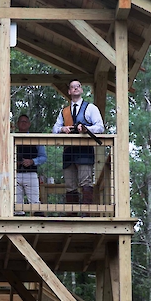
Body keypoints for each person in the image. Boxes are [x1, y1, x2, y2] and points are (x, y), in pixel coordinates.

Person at [52, 80, 104, 212]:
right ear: (69, 92)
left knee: (85, 182)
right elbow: (55, 129)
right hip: (69, 152)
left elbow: (100, 127)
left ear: (81, 90)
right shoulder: (64, 112)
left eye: (78, 86)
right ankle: (72, 214)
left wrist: (86, 129)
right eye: (72, 87)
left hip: (84, 151)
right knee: (70, 184)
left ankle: (86, 213)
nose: (75, 88)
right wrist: (62, 129)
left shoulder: (91, 108)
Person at [15, 114, 47, 216]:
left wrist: (32, 161)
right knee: (17, 206)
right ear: (17, 124)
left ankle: (39, 230)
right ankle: (18, 230)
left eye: (25, 121)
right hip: (15, 174)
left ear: (29, 124)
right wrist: (15, 162)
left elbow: (43, 157)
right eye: (21, 121)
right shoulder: (12, 138)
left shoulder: (35, 138)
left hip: (31, 174)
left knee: (35, 203)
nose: (23, 123)